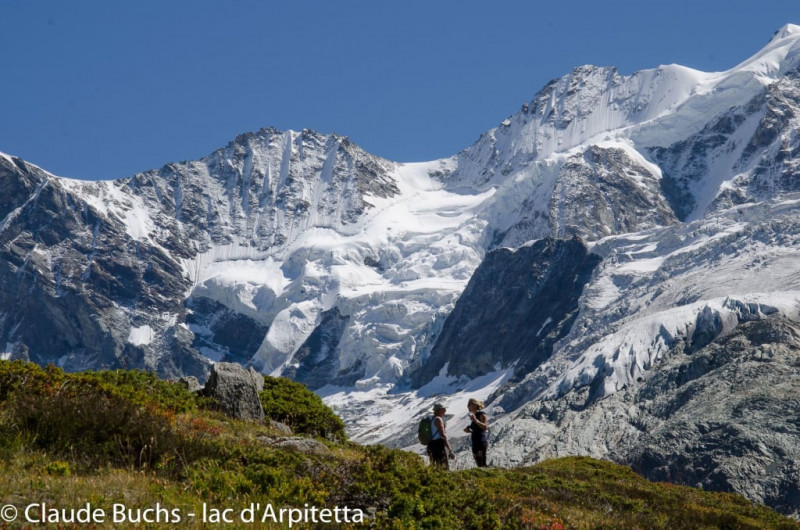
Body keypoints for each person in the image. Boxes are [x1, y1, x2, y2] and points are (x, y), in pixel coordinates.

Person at [427, 402, 455, 469]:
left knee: (434, 467)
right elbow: (443, 435)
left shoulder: (432, 419)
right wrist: (450, 450)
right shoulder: (438, 419)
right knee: (443, 467)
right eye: (444, 409)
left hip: (431, 445)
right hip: (438, 445)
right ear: (439, 410)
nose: (445, 411)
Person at [463, 398, 489, 467]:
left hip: (481, 441)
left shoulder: (481, 414)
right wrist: (469, 430)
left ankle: (487, 476)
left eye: (469, 404)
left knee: (482, 462)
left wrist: (476, 421)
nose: (468, 406)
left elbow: (485, 427)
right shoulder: (474, 415)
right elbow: (477, 429)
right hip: (475, 441)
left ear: (474, 405)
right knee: (478, 462)